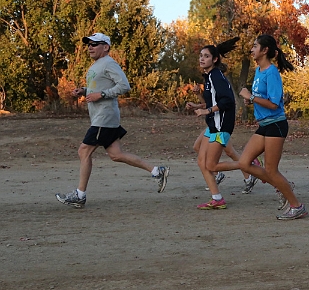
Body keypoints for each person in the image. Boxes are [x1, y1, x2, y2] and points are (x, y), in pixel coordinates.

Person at [55, 33, 169, 208]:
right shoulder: (97, 65)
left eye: (94, 44)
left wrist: (100, 95)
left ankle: (80, 195)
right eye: (88, 44)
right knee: (116, 155)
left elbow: (124, 85)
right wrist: (84, 91)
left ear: (105, 47)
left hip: (104, 117)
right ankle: (156, 171)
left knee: (83, 151)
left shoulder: (109, 63)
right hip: (102, 116)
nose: (90, 47)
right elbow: (99, 88)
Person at [215, 34, 307, 220]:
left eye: (255, 46)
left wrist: (250, 97)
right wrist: (253, 101)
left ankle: (297, 206)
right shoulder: (258, 71)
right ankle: (283, 185)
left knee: (272, 170)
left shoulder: (271, 72)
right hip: (264, 125)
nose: (252, 49)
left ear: (264, 50)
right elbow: (261, 99)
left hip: (276, 125)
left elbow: (274, 104)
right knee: (244, 163)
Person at [185, 38, 238, 209]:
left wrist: (206, 111)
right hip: (213, 125)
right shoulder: (208, 77)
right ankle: (217, 198)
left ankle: (248, 164)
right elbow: (212, 101)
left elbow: (228, 101)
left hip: (221, 125)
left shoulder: (216, 76)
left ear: (214, 59)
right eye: (201, 56)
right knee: (202, 161)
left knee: (211, 164)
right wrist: (198, 102)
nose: (202, 59)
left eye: (206, 56)